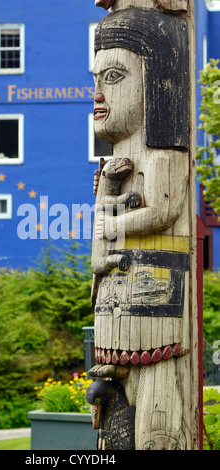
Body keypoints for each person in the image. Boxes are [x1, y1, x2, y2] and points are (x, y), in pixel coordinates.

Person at [87, 7, 191, 450]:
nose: (95, 94)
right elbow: (101, 223)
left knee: (158, 433)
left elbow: (165, 210)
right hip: (115, 315)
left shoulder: (163, 148)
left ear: (157, 80)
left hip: (157, 320)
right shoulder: (116, 157)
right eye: (94, 79)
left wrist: (110, 226)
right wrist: (107, 194)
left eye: (111, 78)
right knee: (112, 432)